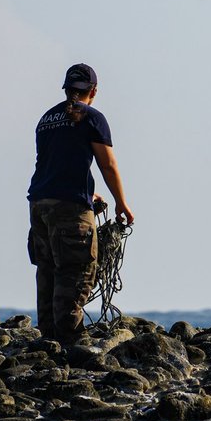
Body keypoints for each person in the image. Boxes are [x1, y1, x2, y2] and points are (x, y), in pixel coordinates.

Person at [27, 63, 134, 344]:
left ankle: (48, 338)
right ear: (93, 91)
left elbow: (56, 163)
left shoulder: (47, 119)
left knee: (47, 267)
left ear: (66, 89)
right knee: (76, 269)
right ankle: (72, 339)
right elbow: (107, 164)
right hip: (69, 209)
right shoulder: (92, 117)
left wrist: (91, 194)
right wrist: (121, 203)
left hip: (39, 203)